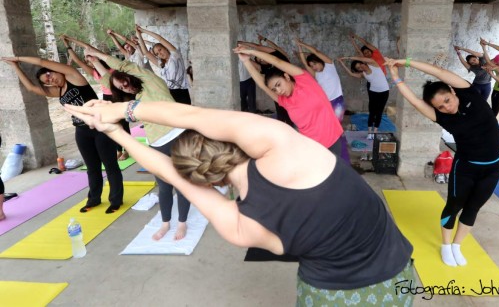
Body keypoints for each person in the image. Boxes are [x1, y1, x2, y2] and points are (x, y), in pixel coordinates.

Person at [64, 99, 415, 306]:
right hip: (399, 272)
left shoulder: (239, 225)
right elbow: (194, 117)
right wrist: (123, 109)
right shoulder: (282, 144)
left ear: (209, 179)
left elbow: (170, 175)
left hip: (332, 295)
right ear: (226, 140)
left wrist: (116, 134)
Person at [385, 57, 499, 267]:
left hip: (493, 167)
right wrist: (396, 78)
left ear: (452, 91)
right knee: (454, 205)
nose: (446, 108)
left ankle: (458, 245)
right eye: (440, 107)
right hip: (466, 168)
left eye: (447, 101)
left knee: (473, 207)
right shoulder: (443, 117)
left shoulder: (470, 94)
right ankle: (446, 245)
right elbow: (414, 101)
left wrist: (405, 62)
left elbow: (439, 72)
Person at [82, 45, 192, 240]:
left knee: (182, 182)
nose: (126, 86)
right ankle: (166, 222)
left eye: (125, 82)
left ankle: (182, 222)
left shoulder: (150, 82)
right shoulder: (132, 99)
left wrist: (99, 54)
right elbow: (111, 81)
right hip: (156, 144)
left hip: (178, 137)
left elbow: (125, 67)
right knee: (164, 186)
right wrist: (95, 63)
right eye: (122, 87)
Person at [1, 55, 123, 214]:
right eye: (47, 81)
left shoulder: (74, 76)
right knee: (92, 168)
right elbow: (31, 88)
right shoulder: (57, 91)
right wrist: (15, 66)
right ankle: (94, 199)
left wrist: (17, 58)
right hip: (82, 131)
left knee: (110, 166)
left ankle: (115, 200)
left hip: (100, 128)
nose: (51, 80)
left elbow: (41, 62)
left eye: (50, 75)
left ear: (55, 70)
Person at [235, 46, 345, 157]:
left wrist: (252, 51)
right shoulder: (284, 101)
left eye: (278, 84)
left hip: (332, 142)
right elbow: (262, 85)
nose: (278, 91)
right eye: (274, 89)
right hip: (309, 147)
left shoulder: (304, 81)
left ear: (286, 77)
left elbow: (277, 61)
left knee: (333, 173)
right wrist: (245, 61)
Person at [62, 35, 130, 161]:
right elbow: (77, 60)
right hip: (107, 98)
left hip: (119, 95)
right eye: (87, 60)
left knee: (123, 123)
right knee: (112, 123)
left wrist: (71, 39)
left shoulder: (111, 67)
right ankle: (118, 150)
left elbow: (88, 47)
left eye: (90, 58)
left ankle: (127, 150)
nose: (88, 61)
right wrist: (67, 45)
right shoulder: (93, 71)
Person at [238, 37, 294, 125]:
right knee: (282, 115)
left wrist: (243, 43)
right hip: (280, 97)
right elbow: (251, 63)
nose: (262, 60)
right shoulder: (265, 69)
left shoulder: (278, 57)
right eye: (260, 61)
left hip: (292, 92)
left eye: (261, 57)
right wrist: (244, 56)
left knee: (292, 114)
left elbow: (257, 46)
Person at [135, 25, 191, 104]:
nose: (160, 54)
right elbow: (146, 53)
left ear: (165, 47)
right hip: (167, 94)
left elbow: (160, 38)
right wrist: (139, 35)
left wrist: (143, 30)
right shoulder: (161, 64)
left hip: (181, 93)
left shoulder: (175, 56)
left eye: (160, 50)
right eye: (157, 54)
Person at [338, 56, 389, 139]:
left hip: (384, 91)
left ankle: (375, 132)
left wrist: (347, 58)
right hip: (373, 92)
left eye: (360, 65)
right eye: (358, 68)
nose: (361, 67)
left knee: (379, 112)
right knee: (372, 112)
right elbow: (351, 74)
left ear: (363, 63)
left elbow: (362, 59)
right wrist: (341, 63)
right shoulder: (363, 74)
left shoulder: (374, 64)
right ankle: (369, 133)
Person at [296, 39, 345, 122]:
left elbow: (316, 52)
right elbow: (304, 63)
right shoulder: (316, 74)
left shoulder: (329, 65)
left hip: (337, 100)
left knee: (337, 124)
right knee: (326, 124)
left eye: (314, 64)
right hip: (324, 102)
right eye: (312, 66)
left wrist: (302, 44)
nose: (314, 67)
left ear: (319, 61)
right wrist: (299, 47)